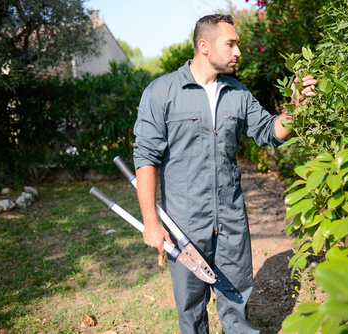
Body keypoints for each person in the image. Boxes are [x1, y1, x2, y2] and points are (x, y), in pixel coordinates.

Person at [133, 14, 316, 334]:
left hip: (231, 218)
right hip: (184, 222)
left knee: (236, 298)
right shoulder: (162, 92)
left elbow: (270, 131)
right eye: (230, 44)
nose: (238, 52)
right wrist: (151, 221)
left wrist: (297, 106)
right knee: (190, 306)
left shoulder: (238, 94)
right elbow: (146, 157)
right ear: (204, 46)